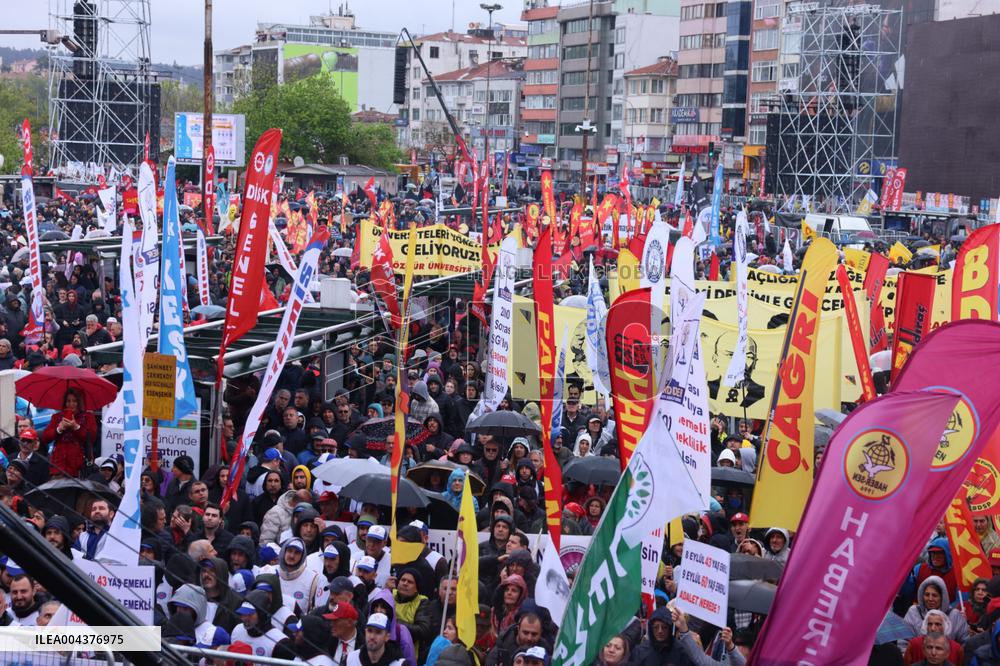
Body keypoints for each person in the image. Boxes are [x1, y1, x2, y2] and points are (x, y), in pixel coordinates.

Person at [40, 388, 95, 478]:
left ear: (79, 402)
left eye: (75, 401)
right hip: (58, 466)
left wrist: (76, 427)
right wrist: (59, 429)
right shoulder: (57, 417)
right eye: (68, 401)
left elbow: (92, 437)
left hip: (79, 467)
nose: (71, 404)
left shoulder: (87, 417)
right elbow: (45, 437)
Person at [903, 576, 968, 643]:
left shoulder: (954, 615)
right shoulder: (914, 612)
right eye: (927, 595)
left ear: (942, 597)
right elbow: (904, 641)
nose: (930, 599)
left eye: (934, 595)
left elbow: (965, 642)